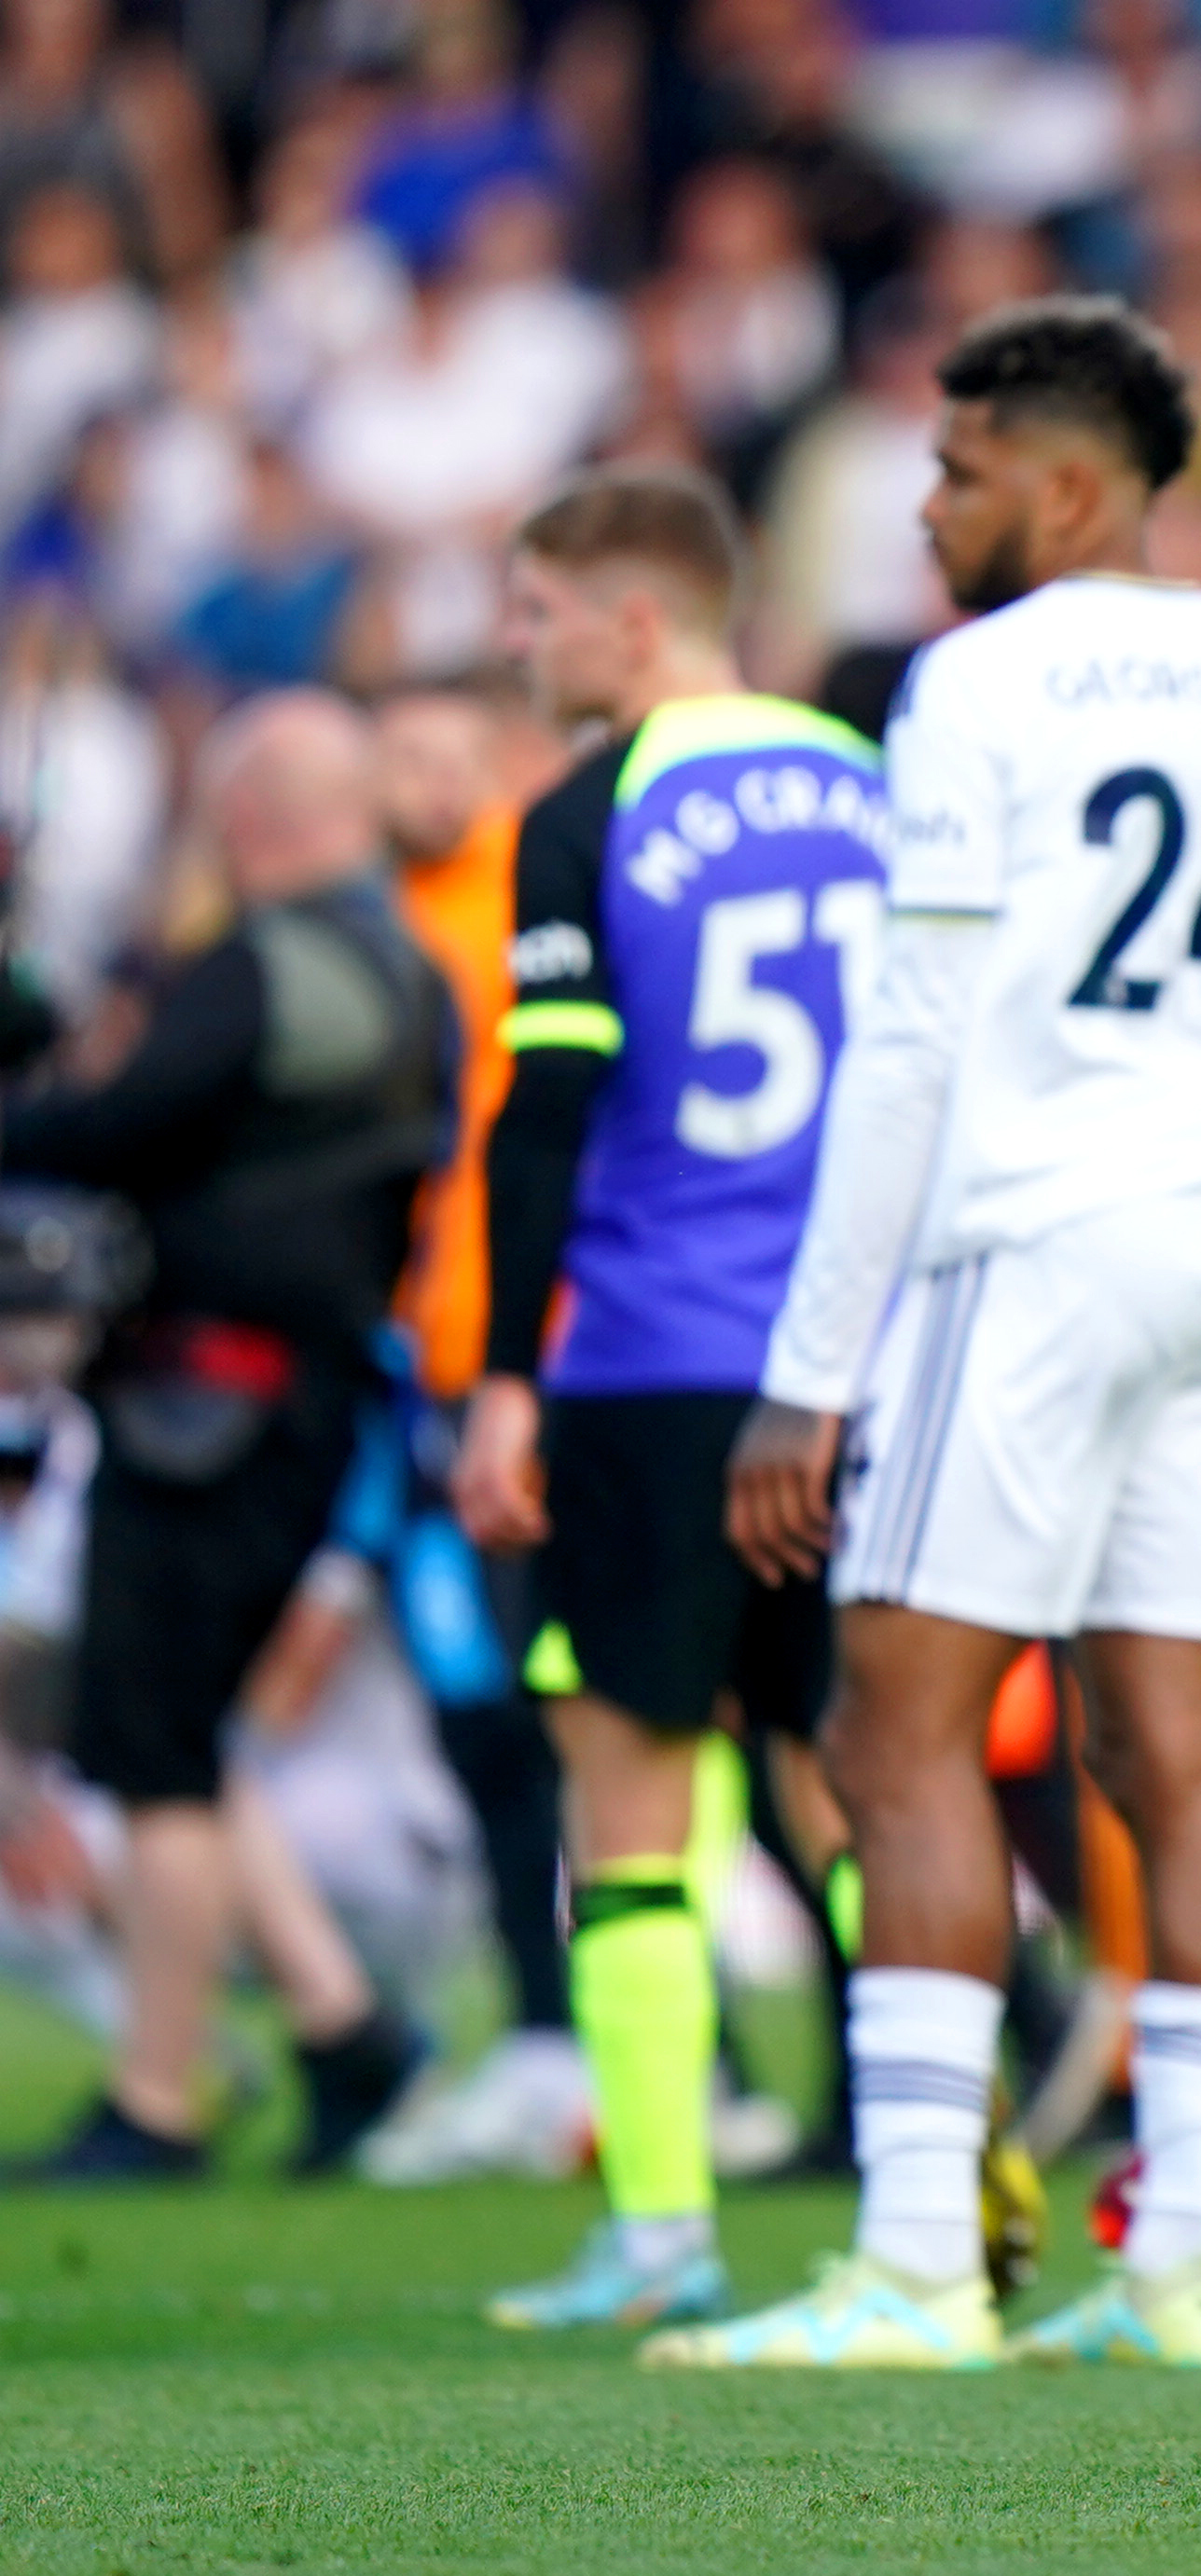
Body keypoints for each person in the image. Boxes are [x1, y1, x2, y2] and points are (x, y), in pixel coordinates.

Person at [670, 295, 1201, 2372]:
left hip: (1039, 1240)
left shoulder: (972, 685)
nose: (928, 506)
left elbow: (911, 1034)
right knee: (1176, 1747)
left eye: (960, 470)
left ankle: (913, 2261)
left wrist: (807, 1369)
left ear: (1067, 485)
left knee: (888, 1728)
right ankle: (1180, 2265)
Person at [445, 465, 890, 2327]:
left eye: (539, 610)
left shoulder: (584, 806)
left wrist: (502, 1379)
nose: (518, 643)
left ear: (635, 618)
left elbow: (544, 1116)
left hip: (649, 1354)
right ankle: (952, 2185)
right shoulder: (876, 784)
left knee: (626, 1791)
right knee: (863, 1784)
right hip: (850, 1365)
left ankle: (658, 2231)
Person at [7, 690, 450, 2178]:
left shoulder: (266, 965)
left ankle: (160, 2094)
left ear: (249, 816)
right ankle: (341, 2030)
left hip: (205, 1401)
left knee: (154, 1756)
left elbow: (115, 1126)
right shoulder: (412, 974)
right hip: (310, 1399)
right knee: (183, 1728)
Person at [357, 678, 587, 2188]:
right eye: (402, 755)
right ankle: (558, 2036)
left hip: (545, 1363)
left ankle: (649, 2058)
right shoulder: (379, 918)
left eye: (454, 752)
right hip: (421, 1375)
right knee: (484, 1712)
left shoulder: (538, 895)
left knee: (589, 1713)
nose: (429, 780)